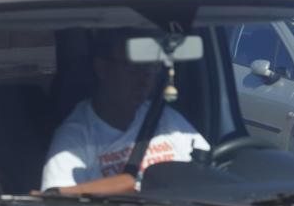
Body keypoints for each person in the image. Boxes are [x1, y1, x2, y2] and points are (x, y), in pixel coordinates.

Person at [40, 30, 209, 195]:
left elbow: (209, 169)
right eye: (134, 68)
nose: (145, 80)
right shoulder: (75, 139)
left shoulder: (163, 117)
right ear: (102, 68)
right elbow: (55, 201)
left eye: (152, 68)